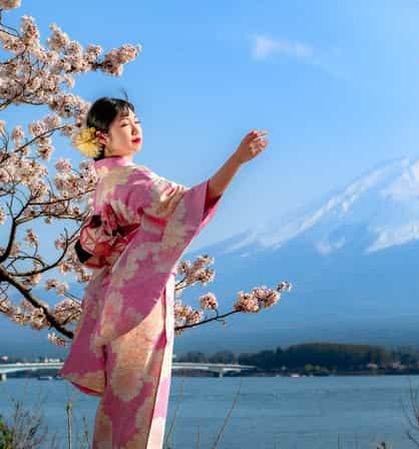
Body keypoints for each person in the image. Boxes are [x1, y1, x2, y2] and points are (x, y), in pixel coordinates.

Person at [58, 96, 268, 448]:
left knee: (119, 404)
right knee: (142, 401)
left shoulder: (105, 182)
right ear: (102, 138)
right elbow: (187, 205)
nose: (136, 128)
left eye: (136, 121)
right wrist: (237, 161)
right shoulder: (133, 179)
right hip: (141, 300)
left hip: (115, 299)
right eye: (125, 124)